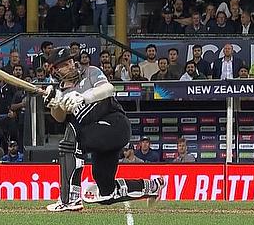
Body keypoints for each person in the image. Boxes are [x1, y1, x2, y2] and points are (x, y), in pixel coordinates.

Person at [43, 48, 164, 212]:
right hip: (97, 135)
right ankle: (153, 186)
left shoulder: (90, 72)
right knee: (106, 192)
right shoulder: (60, 91)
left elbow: (108, 89)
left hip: (115, 125)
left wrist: (84, 97)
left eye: (70, 61)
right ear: (56, 70)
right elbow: (59, 117)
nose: (70, 66)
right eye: (64, 65)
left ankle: (69, 199)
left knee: (72, 139)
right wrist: (54, 104)